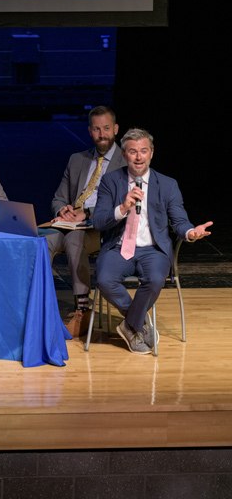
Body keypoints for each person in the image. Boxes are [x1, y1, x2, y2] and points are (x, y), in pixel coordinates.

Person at [93, 128, 212, 355]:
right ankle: (138, 321)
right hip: (118, 247)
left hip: (153, 250)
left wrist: (190, 233)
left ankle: (130, 325)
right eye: (133, 152)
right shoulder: (110, 181)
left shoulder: (167, 185)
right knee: (105, 280)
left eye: (143, 151)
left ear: (151, 154)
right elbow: (98, 221)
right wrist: (122, 208)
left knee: (156, 279)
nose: (138, 157)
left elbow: (179, 221)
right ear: (125, 154)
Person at [47, 106, 124, 337]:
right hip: (71, 224)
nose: (102, 135)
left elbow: (121, 205)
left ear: (116, 129)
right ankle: (40, 305)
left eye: (107, 129)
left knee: (74, 240)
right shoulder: (77, 159)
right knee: (42, 242)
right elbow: (58, 197)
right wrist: (64, 210)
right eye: (97, 129)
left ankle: (83, 309)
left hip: (103, 230)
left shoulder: (125, 162)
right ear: (90, 131)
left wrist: (87, 213)